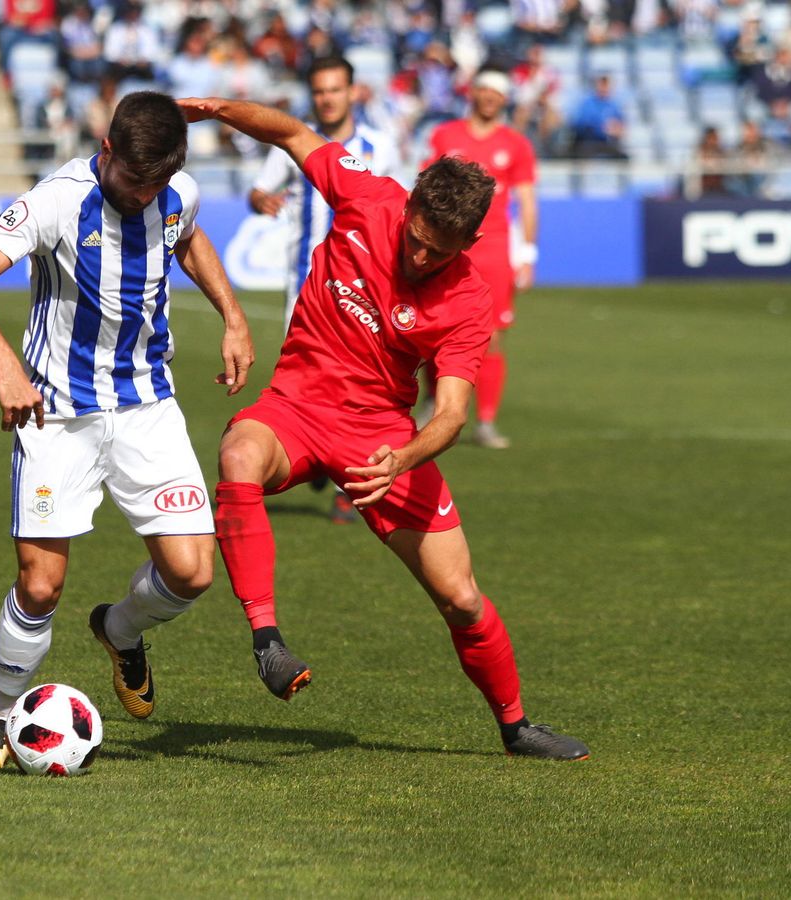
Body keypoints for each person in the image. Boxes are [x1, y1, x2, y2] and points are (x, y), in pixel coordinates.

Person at [181, 94, 589, 761]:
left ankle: (517, 728)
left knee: (460, 598)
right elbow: (290, 132)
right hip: (295, 408)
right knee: (239, 453)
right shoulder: (366, 196)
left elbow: (452, 412)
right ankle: (267, 639)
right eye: (418, 241)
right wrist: (218, 109)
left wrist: (401, 459)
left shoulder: (467, 299)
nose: (423, 259)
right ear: (409, 208)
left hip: (383, 440)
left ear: (470, 244)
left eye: (442, 253)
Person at [0, 91, 253, 772]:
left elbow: (190, 240)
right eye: (133, 180)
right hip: (57, 415)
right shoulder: (58, 200)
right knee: (42, 586)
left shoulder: (176, 194)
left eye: (156, 183)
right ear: (106, 150)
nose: (144, 196)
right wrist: (5, 369)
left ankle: (119, 628)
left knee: (193, 573)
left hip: (147, 407)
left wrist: (232, 314)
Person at [248, 55, 401, 522]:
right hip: (306, 286)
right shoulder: (294, 143)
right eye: (319, 91)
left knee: (356, 383)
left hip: (363, 288)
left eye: (335, 89)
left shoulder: (381, 145)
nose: (327, 98)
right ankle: (315, 453)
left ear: (353, 91)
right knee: (309, 379)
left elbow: (399, 207)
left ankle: (344, 486)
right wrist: (263, 201)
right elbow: (257, 191)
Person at [425, 70, 537, 450]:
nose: (490, 97)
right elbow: (425, 183)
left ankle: (485, 421)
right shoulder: (446, 136)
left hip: (494, 250)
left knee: (491, 337)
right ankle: (431, 403)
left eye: (498, 92)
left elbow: (527, 200)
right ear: (473, 93)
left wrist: (528, 253)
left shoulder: (516, 144)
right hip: (447, 244)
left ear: (505, 100)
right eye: (485, 90)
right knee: (431, 329)